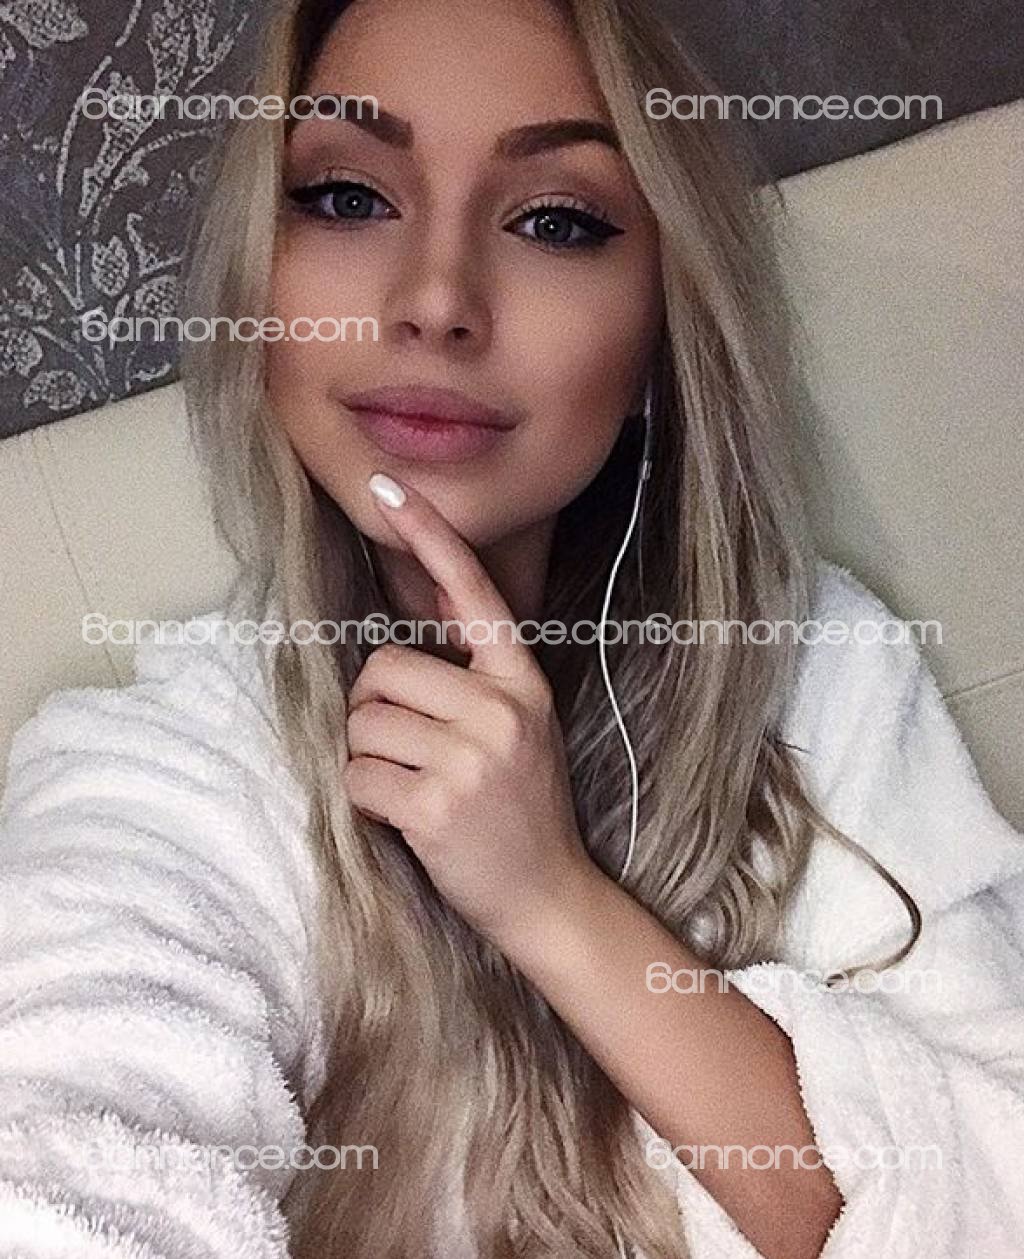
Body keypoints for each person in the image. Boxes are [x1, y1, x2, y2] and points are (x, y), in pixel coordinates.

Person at [2, 0, 1023, 1256]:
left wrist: (548, 895)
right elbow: (66, 1136)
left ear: (656, 334)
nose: (436, 299)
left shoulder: (816, 672)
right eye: (346, 198)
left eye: (555, 221)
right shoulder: (160, 767)